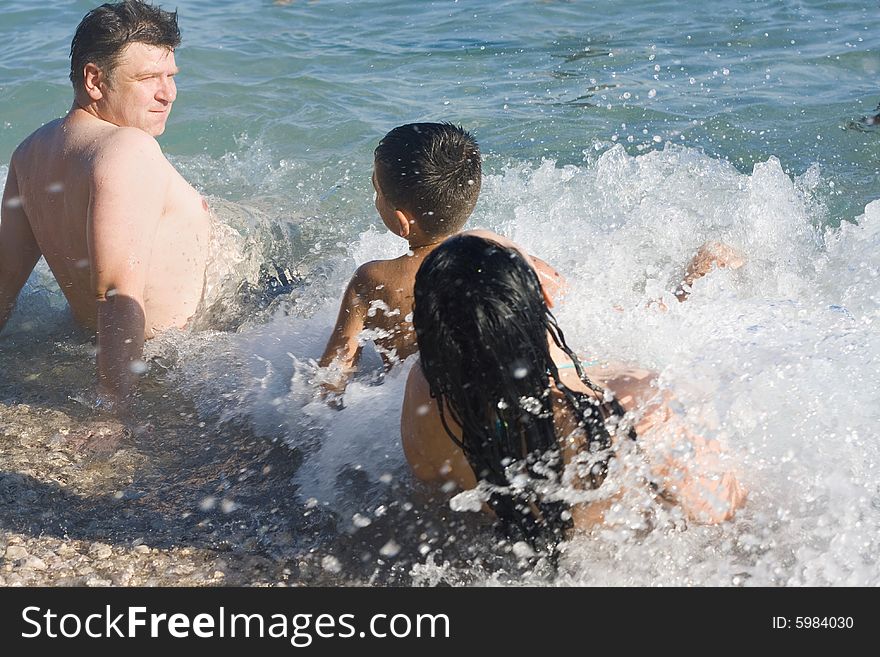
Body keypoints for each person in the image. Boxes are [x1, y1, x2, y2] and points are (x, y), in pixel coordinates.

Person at [400, 232, 747, 550]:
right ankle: (689, 287)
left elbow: (435, 501)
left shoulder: (425, 393)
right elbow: (723, 510)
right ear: (544, 297)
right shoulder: (637, 405)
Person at [0, 1, 210, 410]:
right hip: (172, 354)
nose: (168, 94)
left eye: (171, 76)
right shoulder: (128, 148)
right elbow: (115, 292)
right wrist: (114, 409)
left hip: (105, 342)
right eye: (149, 78)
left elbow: (3, 279)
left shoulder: (30, 151)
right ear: (95, 80)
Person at [317, 122, 565, 402]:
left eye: (377, 190)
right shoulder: (516, 264)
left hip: (413, 412)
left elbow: (333, 377)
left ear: (402, 222)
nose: (376, 197)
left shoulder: (372, 280)